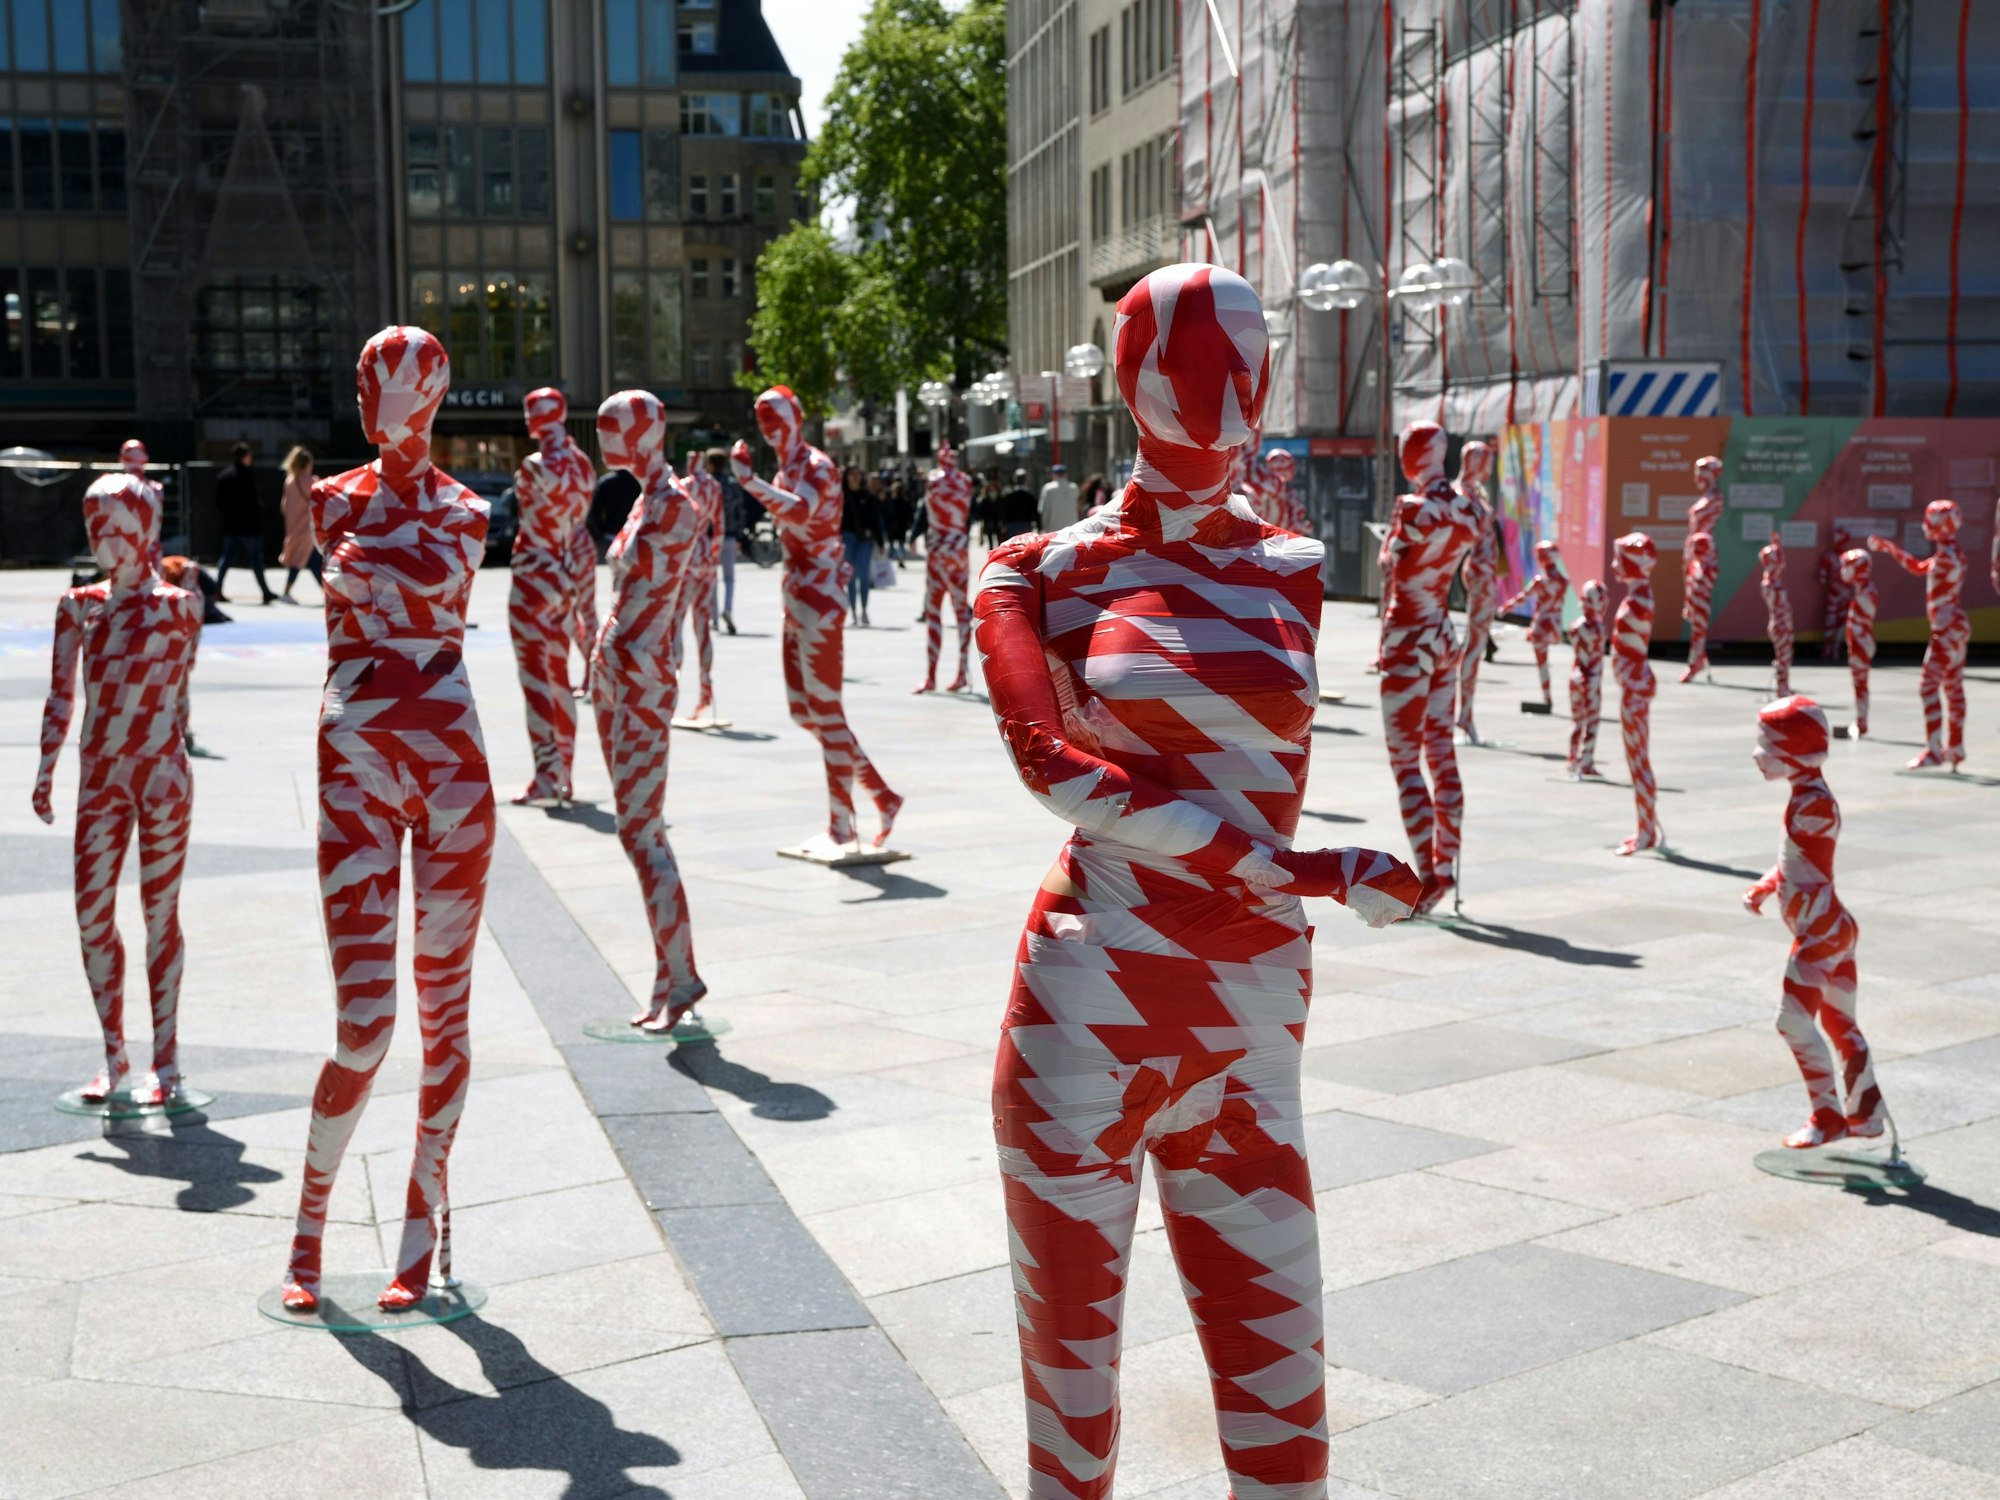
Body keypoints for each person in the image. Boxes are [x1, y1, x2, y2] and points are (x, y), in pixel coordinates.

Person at [975, 262, 1420, 1500]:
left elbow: (1251, 762)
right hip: (1088, 1013)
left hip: (1249, 1024)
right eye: (1189, 350)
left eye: (1249, 348)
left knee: (1286, 1423)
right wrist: (1314, 869)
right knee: (1070, 1433)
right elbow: (1053, 771)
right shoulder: (1036, 571)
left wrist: (1290, 881)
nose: (1228, 379)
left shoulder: (1289, 565)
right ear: (1128, 376)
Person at [283, 326, 495, 1314]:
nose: (378, 390)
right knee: (363, 1025)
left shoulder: (467, 510)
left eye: (400, 375)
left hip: (453, 771)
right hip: (353, 766)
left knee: (445, 1015)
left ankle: (421, 1234)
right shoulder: (332, 501)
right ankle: (308, 1233)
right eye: (366, 372)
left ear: (437, 389)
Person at [34, 472, 201, 1106]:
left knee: (161, 916)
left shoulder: (179, 605)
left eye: (110, 524)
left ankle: (167, 1059)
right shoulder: (78, 604)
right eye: (91, 525)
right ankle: (115, 1055)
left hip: (162, 776)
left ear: (143, 528)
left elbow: (179, 692)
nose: (99, 538)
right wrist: (46, 767)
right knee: (91, 916)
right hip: (102, 775)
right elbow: (61, 692)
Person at [730, 388, 903, 849]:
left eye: (774, 415)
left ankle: (842, 824)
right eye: (760, 417)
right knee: (804, 710)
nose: (767, 425)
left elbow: (802, 511)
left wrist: (750, 483)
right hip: (798, 594)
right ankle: (881, 794)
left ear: (797, 418)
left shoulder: (816, 467)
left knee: (825, 711)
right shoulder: (788, 469)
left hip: (820, 598)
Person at [592, 393, 708, 1032]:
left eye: (613, 424)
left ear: (647, 430)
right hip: (617, 674)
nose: (605, 433)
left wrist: (619, 662)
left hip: (637, 677)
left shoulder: (674, 507)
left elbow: (654, 601)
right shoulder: (645, 498)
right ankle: (670, 975)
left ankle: (683, 974)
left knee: (642, 831)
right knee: (635, 830)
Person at [1744, 695, 1884, 1149]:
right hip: (1832, 929)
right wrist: (1767, 886)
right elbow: (1798, 860)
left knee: (1792, 1022)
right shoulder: (1808, 797)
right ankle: (1866, 1114)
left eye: (1765, 744)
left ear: (1792, 749)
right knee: (1841, 1025)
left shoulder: (1814, 804)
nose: (1757, 754)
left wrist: (1776, 884)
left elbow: (1802, 866)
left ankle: (1827, 1116)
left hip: (1820, 933)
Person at [1381, 421, 1484, 915]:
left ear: (1410, 456)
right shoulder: (1468, 510)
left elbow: (1392, 567)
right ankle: (1449, 864)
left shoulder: (1412, 510)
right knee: (1441, 750)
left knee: (1405, 760)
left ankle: (1428, 878)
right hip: (1444, 630)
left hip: (1408, 634)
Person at [509, 388, 597, 803]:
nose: (529, 418)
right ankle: (566, 770)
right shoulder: (582, 466)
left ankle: (546, 772)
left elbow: (529, 516)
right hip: (563, 572)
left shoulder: (534, 466)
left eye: (532, 411)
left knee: (535, 680)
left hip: (533, 573)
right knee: (558, 676)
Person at [1868, 500, 1969, 770]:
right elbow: (1918, 567)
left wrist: (1888, 548)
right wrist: (1889, 548)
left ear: (1939, 525)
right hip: (1955, 627)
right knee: (1953, 687)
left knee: (1928, 686)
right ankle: (1955, 747)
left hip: (1946, 629)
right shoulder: (1952, 554)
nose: (1925, 526)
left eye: (1930, 522)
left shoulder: (1946, 558)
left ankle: (1934, 749)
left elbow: (1921, 568)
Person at [1611, 531, 1662, 855]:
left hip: (1635, 687)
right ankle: (1645, 826)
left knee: (1639, 760)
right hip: (1633, 685)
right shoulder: (1638, 595)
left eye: (1619, 558)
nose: (1615, 564)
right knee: (1637, 758)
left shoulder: (1639, 599)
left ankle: (1646, 830)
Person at [913, 441, 972, 694]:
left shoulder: (933, 480)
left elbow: (926, 512)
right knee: (960, 612)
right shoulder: (965, 482)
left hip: (938, 550)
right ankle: (962, 671)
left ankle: (931, 676)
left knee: (934, 612)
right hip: (958, 549)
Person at [1499, 540, 1570, 708]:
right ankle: (1547, 697)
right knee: (1544, 662)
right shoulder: (1563, 582)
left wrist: (1505, 608)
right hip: (1555, 625)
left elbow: (1523, 597)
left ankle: (1547, 697)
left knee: (1542, 663)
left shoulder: (1541, 581)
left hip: (1541, 625)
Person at [213, 441, 276, 605]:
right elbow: (252, 501)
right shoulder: (246, 475)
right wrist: (257, 515)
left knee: (226, 559)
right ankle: (265, 591)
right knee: (255, 559)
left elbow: (218, 502)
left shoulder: (224, 476)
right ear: (245, 456)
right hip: (248, 527)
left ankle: (216, 590)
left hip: (231, 526)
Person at [1565, 579, 1608, 779]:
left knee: (1576, 721)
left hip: (1575, 676)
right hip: (1590, 678)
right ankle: (1585, 762)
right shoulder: (1597, 628)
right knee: (1591, 721)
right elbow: (1593, 657)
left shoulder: (1576, 626)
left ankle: (1573, 759)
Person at [278, 447, 322, 601]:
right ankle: (287, 592)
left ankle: (327, 592)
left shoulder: (289, 481)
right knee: (305, 560)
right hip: (308, 528)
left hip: (293, 527)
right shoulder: (312, 481)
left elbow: (284, 506)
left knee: (310, 559)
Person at [1841, 547, 1876, 737]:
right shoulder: (1862, 590)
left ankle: (1862, 721)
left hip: (1860, 642)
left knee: (1861, 682)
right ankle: (1860, 719)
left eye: (1847, 566)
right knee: (1859, 683)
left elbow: (1862, 621)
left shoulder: (1867, 591)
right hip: (1858, 641)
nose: (1843, 570)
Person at [842, 469, 884, 626]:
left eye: (858, 474)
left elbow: (876, 520)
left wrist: (880, 542)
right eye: (852, 474)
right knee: (850, 576)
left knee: (864, 575)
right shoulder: (841, 497)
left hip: (865, 540)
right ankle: (853, 612)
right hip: (847, 538)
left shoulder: (868, 497)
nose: (855, 477)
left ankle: (864, 611)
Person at [1760, 532, 1794, 697]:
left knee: (1785, 656)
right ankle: (1781, 687)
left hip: (1782, 623)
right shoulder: (1770, 584)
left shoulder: (1773, 581)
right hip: (1779, 624)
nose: (1782, 564)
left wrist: (1777, 544)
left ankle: (1784, 685)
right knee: (1783, 656)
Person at [712, 450, 740, 633]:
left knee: (711, 578)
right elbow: (739, 512)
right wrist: (740, 535)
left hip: (711, 536)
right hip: (729, 535)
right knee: (729, 578)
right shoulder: (731, 484)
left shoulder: (706, 485)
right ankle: (727, 609)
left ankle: (713, 618)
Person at [1036, 461, 1077, 531]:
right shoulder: (1075, 487)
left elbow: (1044, 509)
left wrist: (1043, 526)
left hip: (1053, 528)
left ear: (1053, 474)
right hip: (1072, 528)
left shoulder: (1048, 488)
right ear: (1066, 474)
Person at [1000, 468, 1037, 538]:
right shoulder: (1030, 496)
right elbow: (1035, 512)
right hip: (1026, 525)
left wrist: (1003, 524)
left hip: (1011, 526)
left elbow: (1004, 511)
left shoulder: (1009, 495)